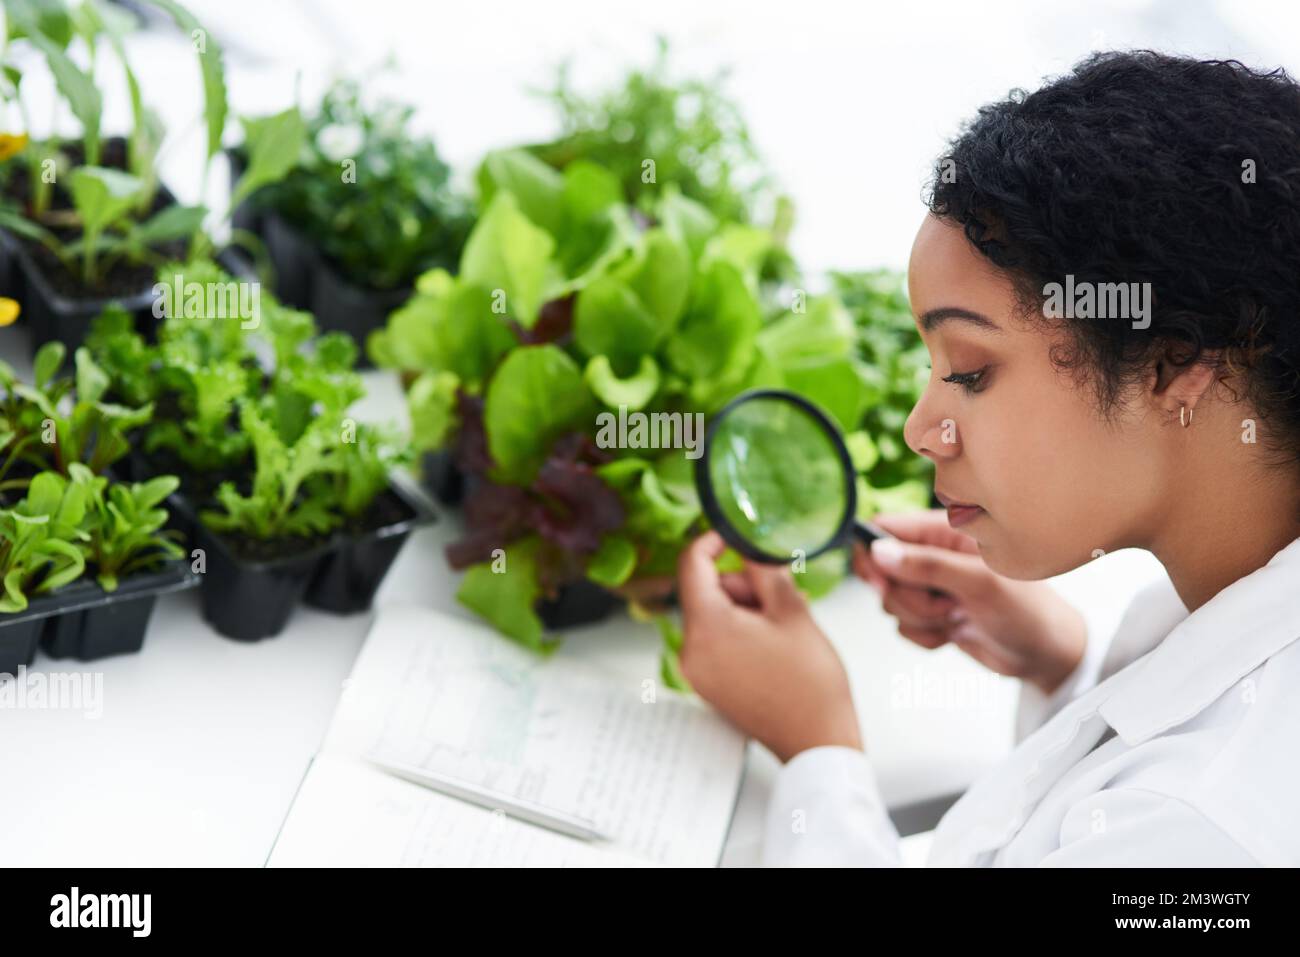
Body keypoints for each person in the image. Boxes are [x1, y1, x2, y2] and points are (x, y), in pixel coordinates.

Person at [675, 50, 1300, 866]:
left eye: (969, 372)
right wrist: (1065, 667)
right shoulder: (1226, 573)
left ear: (1174, 363)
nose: (920, 429)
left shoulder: (1206, 829)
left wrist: (817, 751)